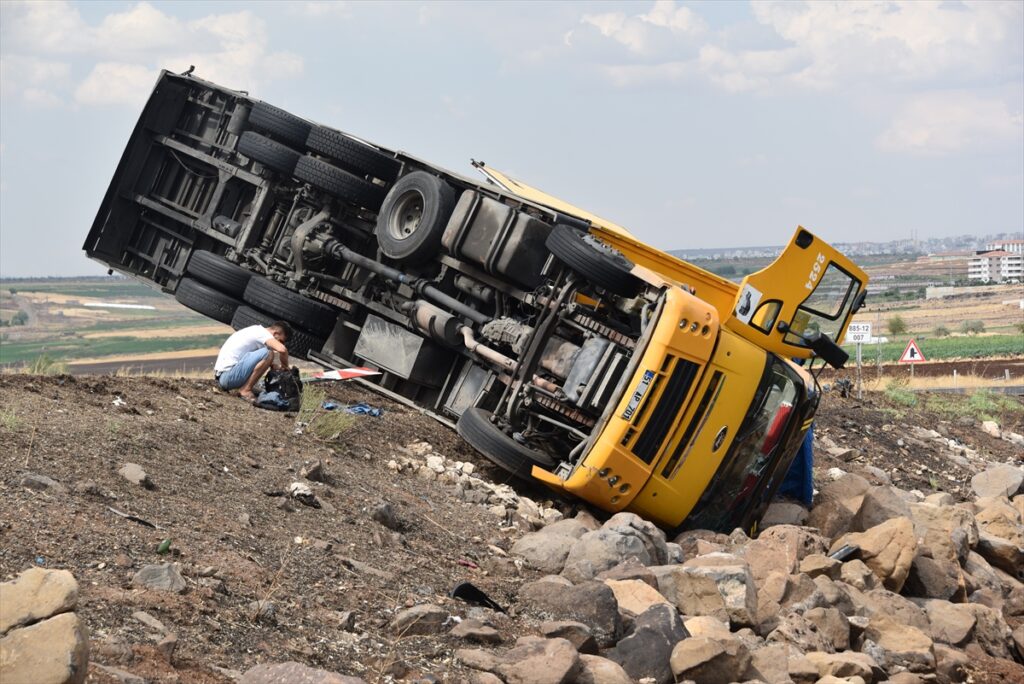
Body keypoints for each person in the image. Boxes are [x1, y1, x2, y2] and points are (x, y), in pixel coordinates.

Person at [214, 321, 292, 399]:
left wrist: (274, 366)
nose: (281, 344)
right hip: (227, 377)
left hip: (224, 377)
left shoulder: (256, 331)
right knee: (268, 353)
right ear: (276, 334)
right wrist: (285, 366)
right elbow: (282, 350)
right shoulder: (262, 333)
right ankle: (245, 390)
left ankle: (245, 388)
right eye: (281, 341)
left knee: (267, 354)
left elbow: (259, 360)